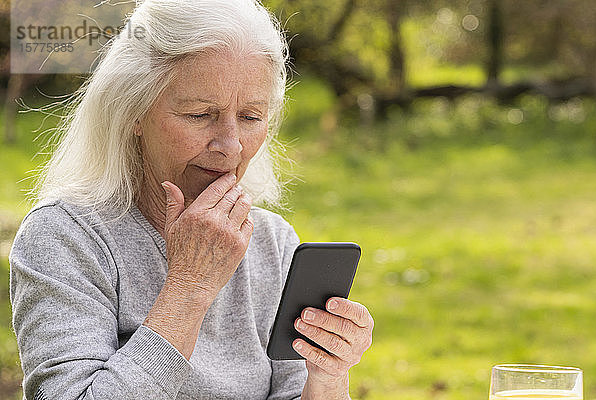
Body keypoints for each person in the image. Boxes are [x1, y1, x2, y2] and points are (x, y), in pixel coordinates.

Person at [9, 0, 374, 399]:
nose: (231, 146)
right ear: (133, 111)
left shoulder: (273, 243)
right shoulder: (63, 237)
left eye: (251, 117)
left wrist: (328, 378)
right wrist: (190, 285)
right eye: (200, 115)